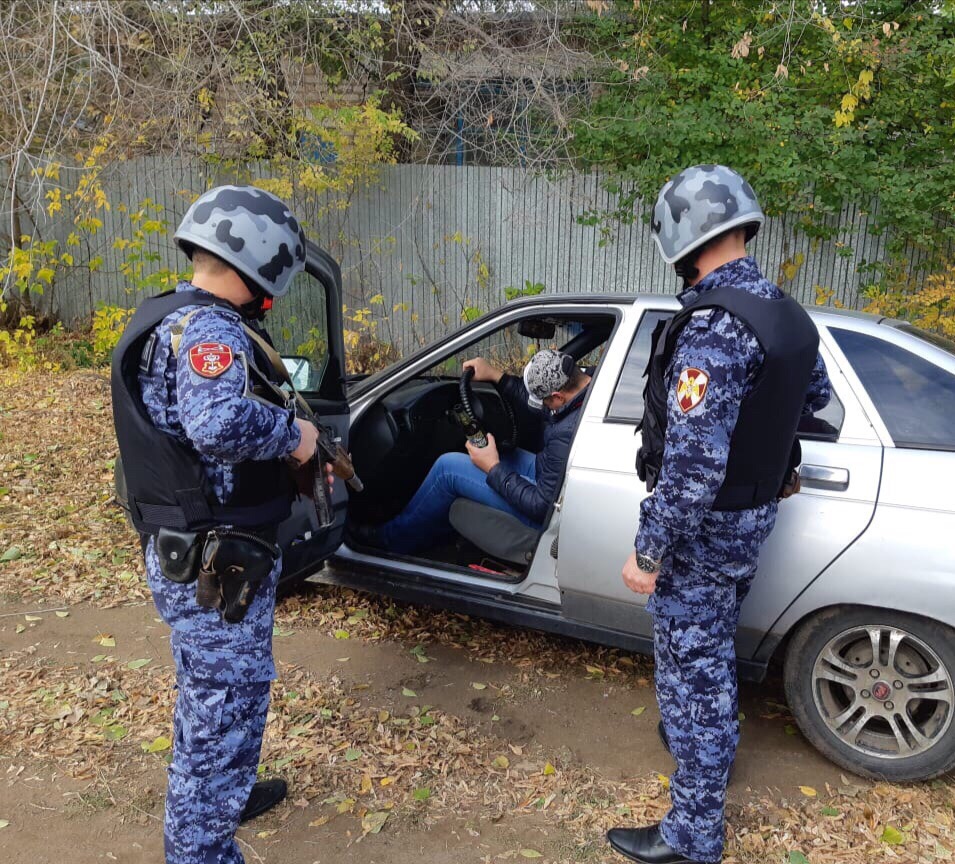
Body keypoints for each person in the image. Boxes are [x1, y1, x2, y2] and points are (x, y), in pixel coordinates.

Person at [607, 165, 831, 864]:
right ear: (742, 223)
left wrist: (647, 551)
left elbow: (693, 467)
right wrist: (772, 466)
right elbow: (812, 400)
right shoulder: (785, 313)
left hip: (702, 535)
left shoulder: (711, 326)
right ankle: (707, 758)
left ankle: (691, 836)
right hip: (751, 520)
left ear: (680, 235)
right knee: (708, 663)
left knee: (691, 679)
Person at [111, 185, 331, 864]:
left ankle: (225, 795)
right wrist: (293, 434)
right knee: (222, 706)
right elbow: (216, 422)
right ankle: (201, 850)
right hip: (214, 557)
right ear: (259, 258)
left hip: (193, 547)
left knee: (211, 695)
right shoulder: (208, 328)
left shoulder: (161, 317)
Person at [357, 349, 591, 555]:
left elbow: (542, 507)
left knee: (447, 469)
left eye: (546, 402)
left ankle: (387, 540)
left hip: (551, 510)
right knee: (502, 452)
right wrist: (496, 376)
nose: (542, 406)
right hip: (557, 479)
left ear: (559, 396)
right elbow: (540, 406)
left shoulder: (567, 432)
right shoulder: (589, 386)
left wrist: (493, 467)